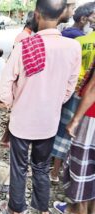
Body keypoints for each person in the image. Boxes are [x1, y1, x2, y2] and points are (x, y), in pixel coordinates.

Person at [0, 0, 81, 214]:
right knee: (42, 167)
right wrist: (53, 103)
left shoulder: (25, 45)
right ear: (63, 13)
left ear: (37, 14)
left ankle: (16, 211)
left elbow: (4, 86)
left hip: (21, 121)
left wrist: (14, 104)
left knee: (18, 167)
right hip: (48, 121)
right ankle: (44, 213)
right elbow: (69, 88)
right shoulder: (72, 47)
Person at [50, 1, 95, 182]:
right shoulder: (80, 39)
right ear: (84, 18)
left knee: (63, 131)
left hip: (74, 91)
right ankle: (60, 172)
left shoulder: (78, 40)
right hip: (82, 94)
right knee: (74, 135)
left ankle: (54, 169)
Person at [54, 60, 95, 214]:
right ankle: (92, 208)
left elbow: (93, 89)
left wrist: (75, 119)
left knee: (83, 160)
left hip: (92, 116)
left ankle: (80, 210)